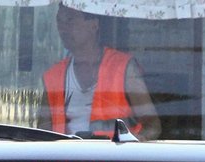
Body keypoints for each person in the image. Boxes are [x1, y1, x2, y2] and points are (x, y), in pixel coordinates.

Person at [41, 4, 161, 140]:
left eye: (70, 20)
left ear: (94, 25)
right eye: (59, 21)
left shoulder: (124, 68)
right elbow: (43, 131)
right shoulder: (53, 76)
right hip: (65, 158)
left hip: (113, 158)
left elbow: (152, 126)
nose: (62, 28)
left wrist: (131, 151)